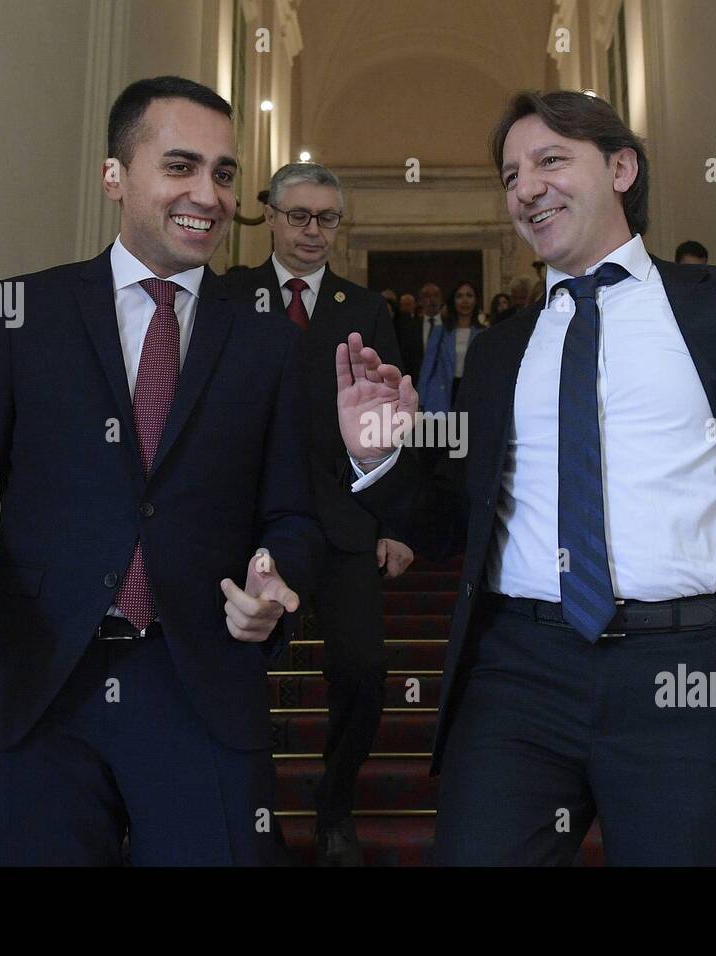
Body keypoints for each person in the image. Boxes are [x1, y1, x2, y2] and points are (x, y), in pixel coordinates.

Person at [334, 89, 716, 865]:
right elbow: (451, 527)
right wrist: (378, 454)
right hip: (518, 674)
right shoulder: (499, 351)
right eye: (511, 174)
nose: (525, 188)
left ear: (621, 167)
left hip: (685, 672)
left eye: (551, 160)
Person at [0, 76, 323, 866]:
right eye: (180, 166)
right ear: (115, 177)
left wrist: (274, 576)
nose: (208, 195)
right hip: (41, 684)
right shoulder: (21, 315)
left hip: (199, 687)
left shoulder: (268, 341)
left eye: (222, 173)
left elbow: (292, 513)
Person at [224, 162, 414, 866]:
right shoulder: (225, 296)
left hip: (340, 522)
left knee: (364, 670)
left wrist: (394, 523)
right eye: (299, 215)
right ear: (269, 215)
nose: (313, 231)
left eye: (327, 218)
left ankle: (334, 801)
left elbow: (392, 423)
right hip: (242, 523)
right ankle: (249, 807)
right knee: (231, 671)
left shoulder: (364, 309)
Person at [417, 280, 485, 413]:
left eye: (469, 296)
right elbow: (428, 366)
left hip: (472, 392)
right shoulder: (440, 331)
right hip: (442, 393)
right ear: (453, 301)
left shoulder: (483, 333)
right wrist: (421, 398)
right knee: (446, 434)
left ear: (476, 300)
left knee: (468, 432)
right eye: (459, 296)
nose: (465, 300)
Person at [396, 282, 443, 387]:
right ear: (420, 301)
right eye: (427, 296)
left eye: (435, 295)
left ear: (441, 299)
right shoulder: (411, 328)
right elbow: (405, 360)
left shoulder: (450, 326)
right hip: (418, 384)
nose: (432, 300)